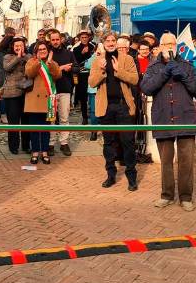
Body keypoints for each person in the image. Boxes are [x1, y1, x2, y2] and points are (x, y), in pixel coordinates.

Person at [140, 32, 196, 212]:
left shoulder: (187, 65)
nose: (169, 47)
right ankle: (166, 195)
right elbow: (146, 88)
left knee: (186, 161)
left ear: (177, 46)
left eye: (172, 44)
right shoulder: (153, 66)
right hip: (163, 118)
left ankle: (185, 197)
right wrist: (165, 71)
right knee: (166, 161)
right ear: (159, 47)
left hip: (185, 118)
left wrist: (182, 74)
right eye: (166, 44)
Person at [89, 32, 140, 190]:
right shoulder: (98, 60)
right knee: (109, 143)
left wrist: (119, 71)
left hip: (123, 106)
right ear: (103, 43)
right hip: (106, 107)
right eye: (108, 41)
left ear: (117, 42)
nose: (111, 43)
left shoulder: (127, 58)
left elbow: (135, 79)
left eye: (113, 40)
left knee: (128, 142)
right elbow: (91, 82)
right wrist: (102, 70)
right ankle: (110, 175)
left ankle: (131, 177)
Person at [24, 40, 62, 164]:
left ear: (48, 51)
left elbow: (57, 76)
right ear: (36, 51)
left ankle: (44, 151)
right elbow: (29, 73)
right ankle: (35, 152)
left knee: (46, 129)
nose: (42, 51)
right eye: (39, 49)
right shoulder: (31, 61)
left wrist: (50, 62)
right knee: (34, 128)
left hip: (48, 100)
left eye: (44, 49)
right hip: (34, 101)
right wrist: (39, 62)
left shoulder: (52, 62)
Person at [46, 29, 78, 156]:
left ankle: (64, 143)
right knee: (51, 118)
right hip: (51, 90)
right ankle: (51, 143)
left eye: (57, 39)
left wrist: (70, 68)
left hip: (65, 89)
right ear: (50, 40)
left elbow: (76, 67)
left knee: (64, 118)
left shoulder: (68, 53)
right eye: (53, 40)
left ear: (61, 39)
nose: (55, 42)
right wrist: (62, 68)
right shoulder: (47, 53)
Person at [1, 37, 32, 154]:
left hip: (26, 91)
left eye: (21, 45)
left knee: (26, 121)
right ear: (13, 47)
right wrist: (18, 57)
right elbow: (7, 68)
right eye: (16, 46)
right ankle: (13, 146)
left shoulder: (28, 57)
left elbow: (32, 66)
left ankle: (25, 145)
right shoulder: (7, 57)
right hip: (12, 93)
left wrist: (24, 56)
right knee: (13, 121)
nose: (18, 47)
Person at [72, 30, 95, 125]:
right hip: (81, 75)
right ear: (80, 38)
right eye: (82, 38)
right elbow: (75, 61)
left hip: (91, 74)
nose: (84, 39)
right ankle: (84, 117)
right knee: (83, 97)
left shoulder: (93, 47)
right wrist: (82, 53)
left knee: (92, 95)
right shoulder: (76, 49)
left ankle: (93, 114)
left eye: (86, 37)